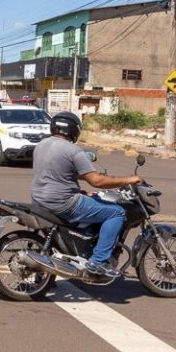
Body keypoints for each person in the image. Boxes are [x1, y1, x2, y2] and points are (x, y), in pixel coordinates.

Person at [30, 111, 143, 277]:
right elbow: (96, 181)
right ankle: (98, 262)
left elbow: (60, 174)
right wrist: (129, 180)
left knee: (91, 199)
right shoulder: (73, 151)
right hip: (63, 203)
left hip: (39, 199)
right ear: (74, 131)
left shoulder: (41, 145)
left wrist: (79, 191)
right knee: (117, 213)